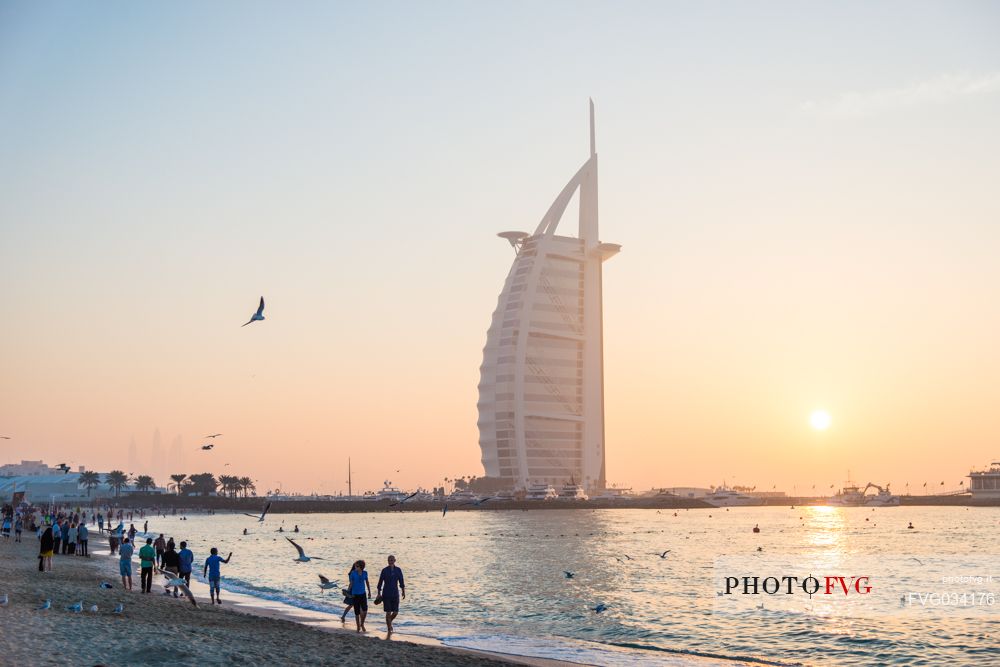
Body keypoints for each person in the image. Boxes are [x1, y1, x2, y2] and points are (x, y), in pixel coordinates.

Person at [376, 554, 406, 632]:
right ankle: (389, 628)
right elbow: (380, 582)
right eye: (389, 560)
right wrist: (379, 593)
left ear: (395, 561)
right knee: (388, 612)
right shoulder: (384, 570)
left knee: (395, 612)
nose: (390, 561)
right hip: (386, 594)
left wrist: (403, 591)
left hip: (395, 594)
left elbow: (401, 581)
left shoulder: (398, 570)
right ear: (388, 561)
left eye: (392, 560)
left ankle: (389, 622)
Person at [348, 560, 371, 633]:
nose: (355, 567)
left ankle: (362, 624)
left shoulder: (365, 573)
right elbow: (351, 583)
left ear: (361, 567)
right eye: (355, 566)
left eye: (357, 566)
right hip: (355, 594)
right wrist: (348, 592)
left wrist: (369, 592)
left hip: (363, 594)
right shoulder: (353, 573)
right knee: (357, 612)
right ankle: (358, 626)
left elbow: (367, 582)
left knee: (365, 610)